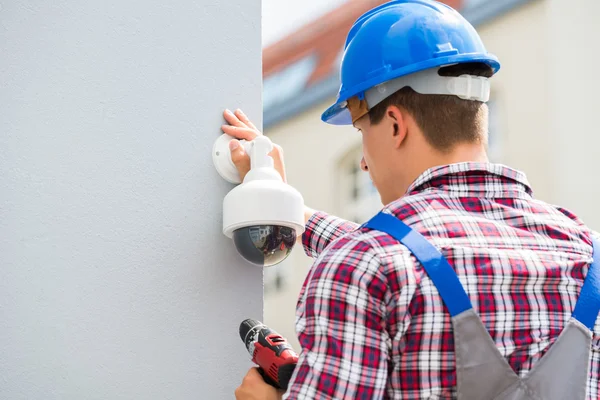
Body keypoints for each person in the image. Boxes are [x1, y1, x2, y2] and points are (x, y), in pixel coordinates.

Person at [228, 1, 600, 399]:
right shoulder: (589, 255)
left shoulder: (364, 268)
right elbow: (415, 253)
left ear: (394, 124)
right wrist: (287, 207)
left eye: (360, 132)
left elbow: (387, 258)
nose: (365, 165)